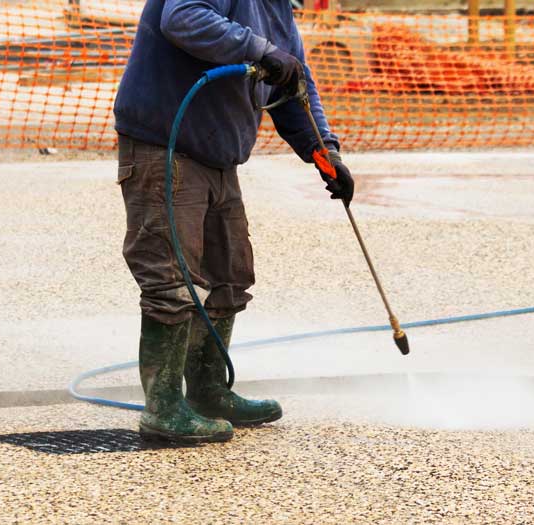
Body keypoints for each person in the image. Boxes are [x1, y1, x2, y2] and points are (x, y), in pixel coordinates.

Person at [113, 0, 354, 444]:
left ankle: (208, 392)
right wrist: (260, 51)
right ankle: (163, 408)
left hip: (221, 159)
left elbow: (295, 83)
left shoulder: (278, 9)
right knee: (172, 279)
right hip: (166, 147)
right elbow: (182, 18)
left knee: (229, 275)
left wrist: (325, 152)